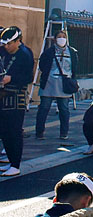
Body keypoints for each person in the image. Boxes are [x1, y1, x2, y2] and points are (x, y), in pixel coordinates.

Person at [0, 26, 35, 177]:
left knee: (14, 131)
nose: (6, 46)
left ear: (18, 41)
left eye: (9, 43)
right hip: (3, 96)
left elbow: (29, 78)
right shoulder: (4, 51)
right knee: (4, 131)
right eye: (4, 44)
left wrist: (11, 78)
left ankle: (15, 164)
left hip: (16, 97)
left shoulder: (25, 54)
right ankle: (10, 160)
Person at [36, 30, 78, 142]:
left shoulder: (72, 52)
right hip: (49, 83)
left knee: (64, 109)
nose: (61, 39)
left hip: (64, 84)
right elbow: (42, 65)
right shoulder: (49, 52)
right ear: (55, 39)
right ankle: (39, 132)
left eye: (63, 36)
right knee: (44, 108)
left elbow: (74, 67)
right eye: (59, 36)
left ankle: (64, 133)